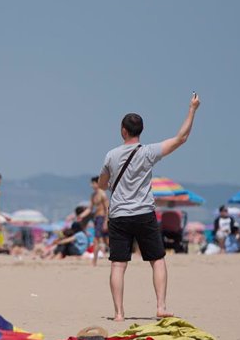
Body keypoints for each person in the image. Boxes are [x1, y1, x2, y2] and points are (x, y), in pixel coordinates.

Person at [98, 93, 200, 322]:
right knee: (157, 259)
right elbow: (181, 138)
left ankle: (119, 313)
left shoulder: (111, 155)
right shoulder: (149, 152)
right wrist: (192, 109)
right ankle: (161, 307)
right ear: (140, 131)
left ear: (123, 130)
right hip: (144, 213)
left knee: (118, 264)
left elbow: (103, 184)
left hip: (120, 215)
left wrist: (111, 181)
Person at [77, 177, 110, 266]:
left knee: (101, 240)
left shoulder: (102, 194)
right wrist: (81, 215)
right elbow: (90, 209)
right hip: (96, 218)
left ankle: (94, 262)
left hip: (102, 218)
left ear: (97, 183)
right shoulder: (93, 195)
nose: (91, 185)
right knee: (103, 240)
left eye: (93, 183)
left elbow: (107, 208)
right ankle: (94, 262)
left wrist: (106, 222)